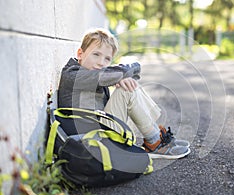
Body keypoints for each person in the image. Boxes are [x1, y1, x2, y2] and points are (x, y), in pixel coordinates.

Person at [58, 28, 190, 159]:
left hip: (99, 131)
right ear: (80, 53)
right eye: (96, 54)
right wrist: (121, 76)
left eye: (107, 59)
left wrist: (121, 78)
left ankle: (156, 136)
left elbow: (119, 74)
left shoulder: (91, 73)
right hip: (88, 141)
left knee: (128, 84)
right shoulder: (73, 75)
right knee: (126, 89)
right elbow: (123, 72)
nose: (101, 63)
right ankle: (154, 142)